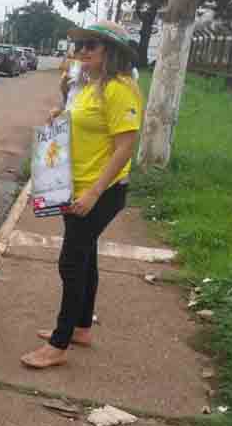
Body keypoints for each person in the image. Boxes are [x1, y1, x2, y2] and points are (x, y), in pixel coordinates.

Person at [21, 21, 143, 369]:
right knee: (85, 257)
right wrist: (61, 116)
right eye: (81, 45)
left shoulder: (121, 88)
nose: (83, 51)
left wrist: (92, 192)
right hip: (74, 185)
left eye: (92, 45)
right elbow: (87, 122)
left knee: (71, 262)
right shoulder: (91, 86)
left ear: (111, 51)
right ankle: (82, 327)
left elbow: (124, 147)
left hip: (99, 192)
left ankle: (59, 344)